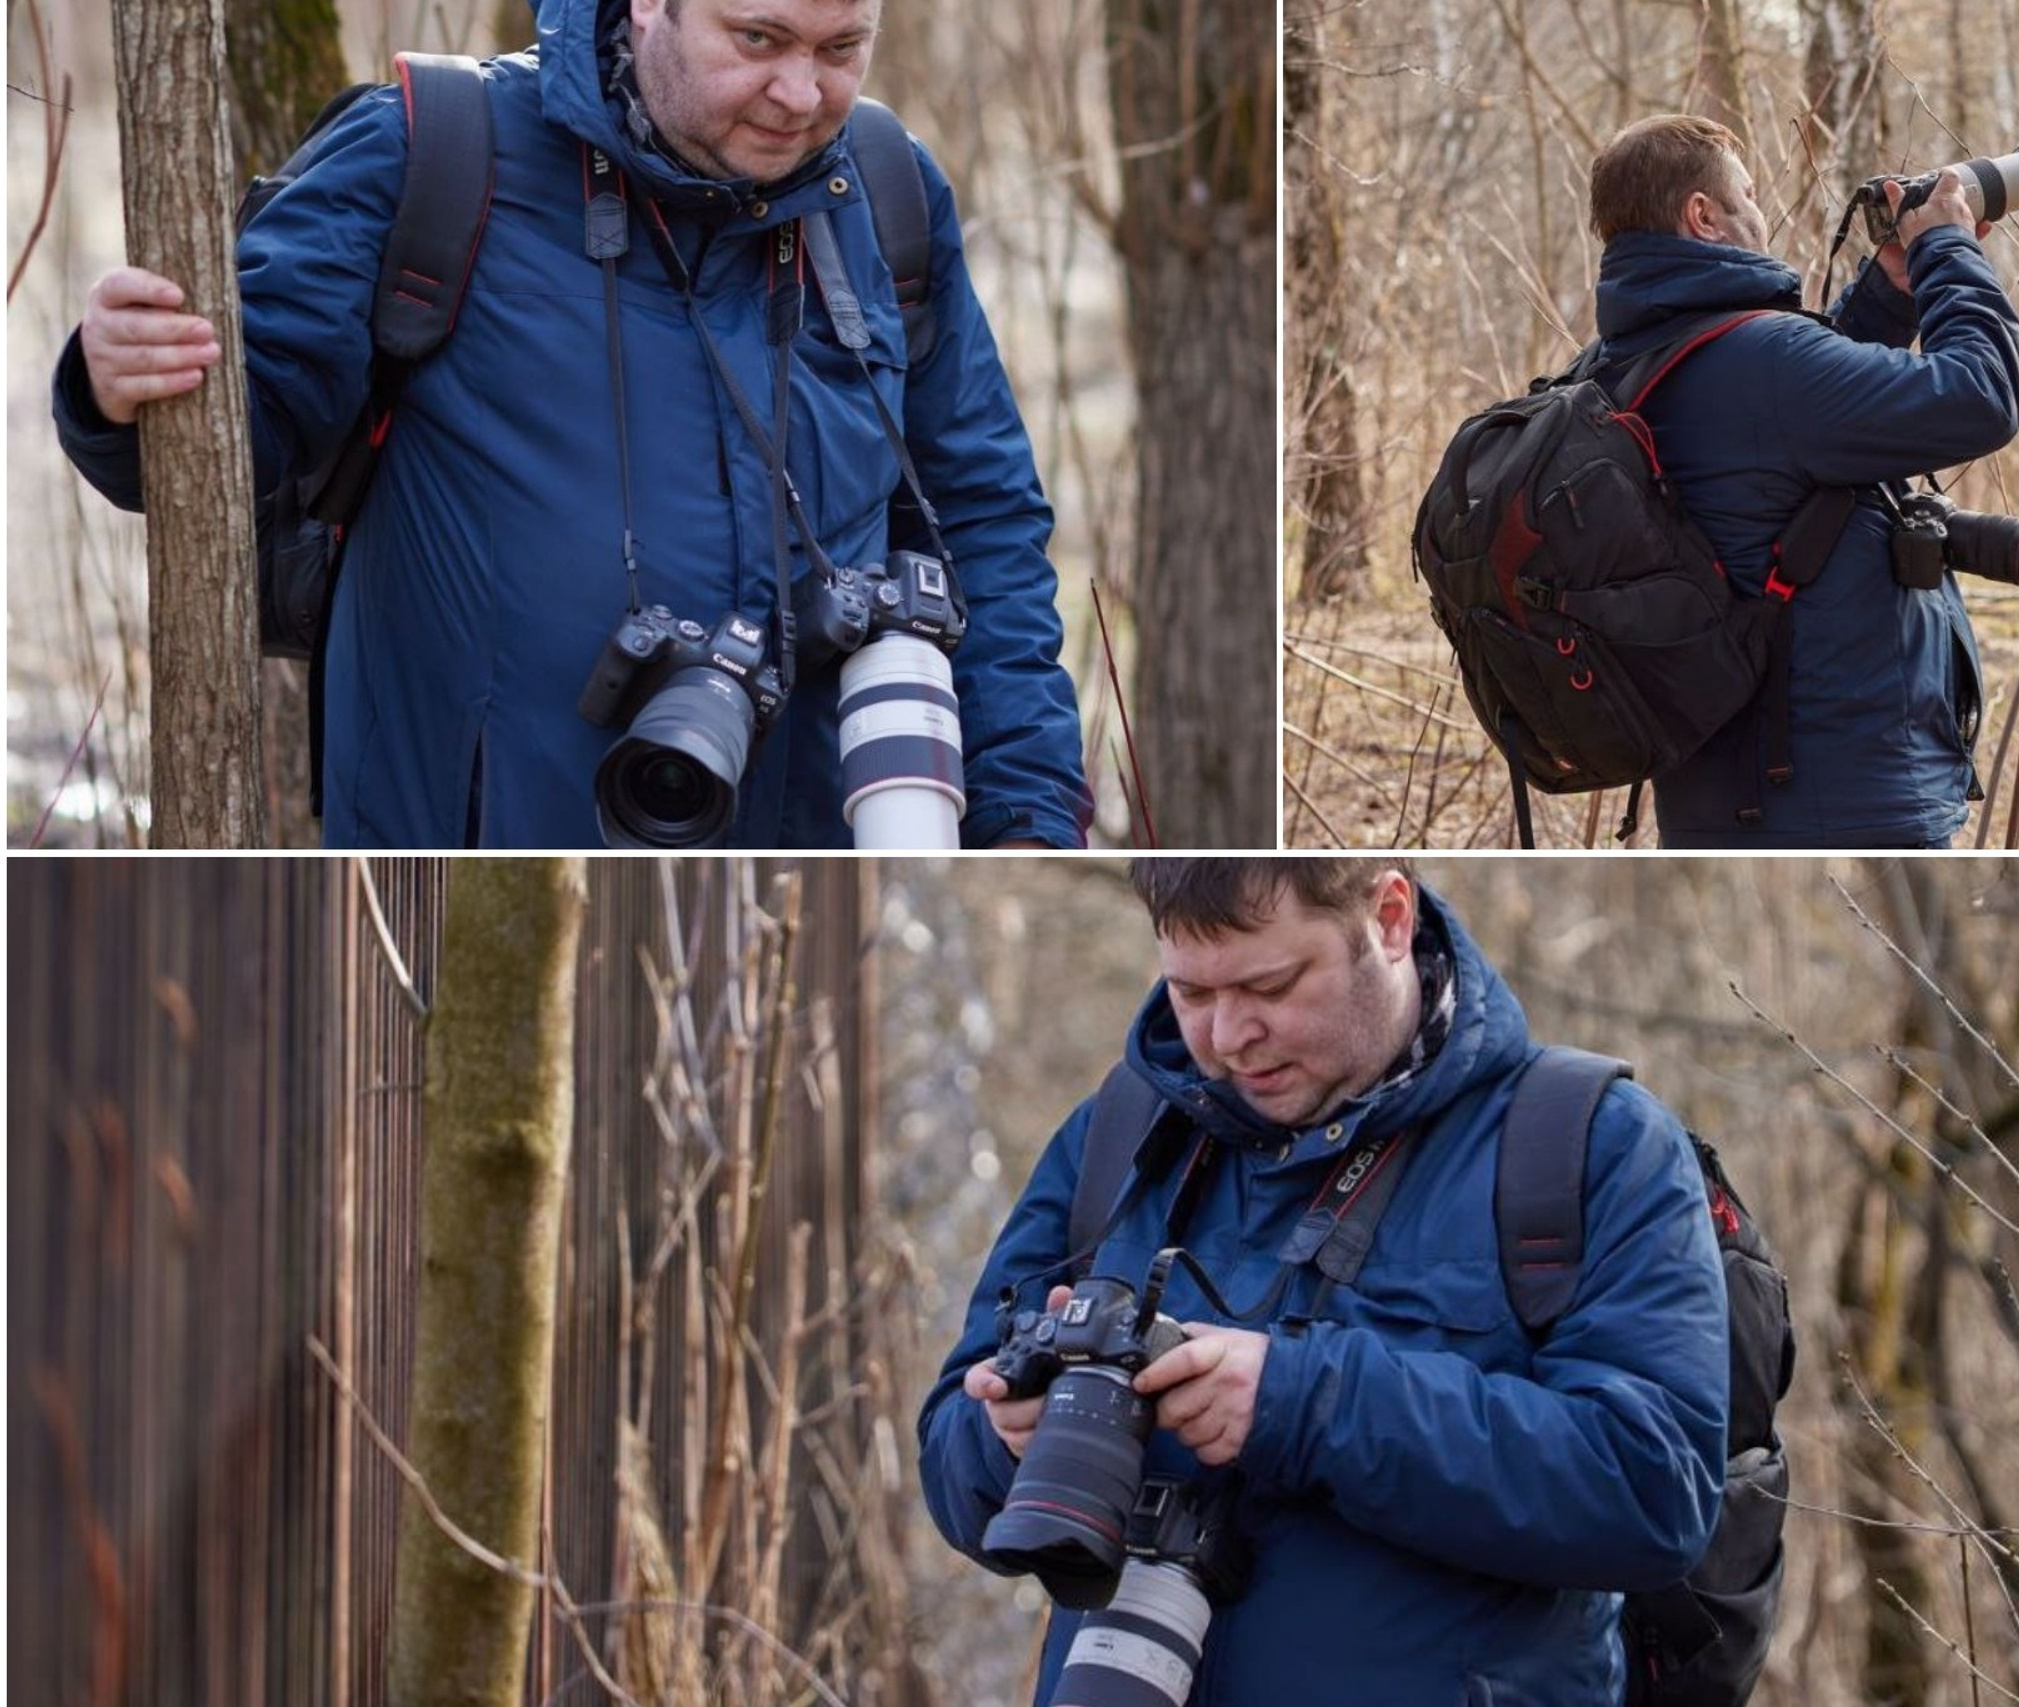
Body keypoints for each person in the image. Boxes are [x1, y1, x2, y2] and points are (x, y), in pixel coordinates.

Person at [53, 0, 1091, 849]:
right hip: (474, 874)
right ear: (648, 9)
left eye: (839, 50)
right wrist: (116, 384)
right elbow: (222, 451)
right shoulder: (429, 151)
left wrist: (1028, 815)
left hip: (808, 871)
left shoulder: (888, 190)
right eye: (759, 40)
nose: (799, 94)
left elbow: (982, 525)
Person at [918, 859, 1728, 1705]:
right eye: (1190, 994)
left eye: (1271, 984)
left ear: (1388, 917)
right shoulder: (1121, 1133)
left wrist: (1304, 1403)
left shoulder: (1589, 1145)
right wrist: (1012, 1433)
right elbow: (949, 1467)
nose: (1229, 1035)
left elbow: (1654, 1489)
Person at [1588, 115, 2019, 848]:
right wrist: (1947, 249)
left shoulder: (1618, 362)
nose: (1760, 211)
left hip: (1715, 799)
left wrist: (1889, 295)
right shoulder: (1764, 362)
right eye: (1748, 194)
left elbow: (1782, 445)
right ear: (1705, 216)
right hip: (1839, 798)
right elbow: (1980, 397)